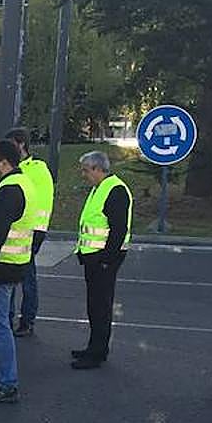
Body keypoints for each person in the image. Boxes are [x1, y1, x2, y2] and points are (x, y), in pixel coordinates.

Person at [0, 139, 36, 404]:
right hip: (15, 264)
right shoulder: (24, 183)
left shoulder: (8, 190)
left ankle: (6, 383)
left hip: (0, 267)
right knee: (0, 325)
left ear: (3, 163)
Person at [73, 149, 132, 369]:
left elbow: (118, 230)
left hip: (103, 259)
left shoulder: (115, 190)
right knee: (94, 305)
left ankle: (96, 353)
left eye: (86, 170)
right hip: (94, 258)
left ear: (98, 169)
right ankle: (94, 347)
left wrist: (106, 260)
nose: (84, 175)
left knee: (100, 307)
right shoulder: (100, 188)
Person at [5, 127, 55, 337]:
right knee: (9, 274)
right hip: (17, 230)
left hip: (31, 231)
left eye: (11, 145)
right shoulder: (16, 168)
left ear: (21, 144)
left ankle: (26, 320)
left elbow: (40, 202)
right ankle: (7, 317)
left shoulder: (35, 169)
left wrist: (38, 231)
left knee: (26, 277)